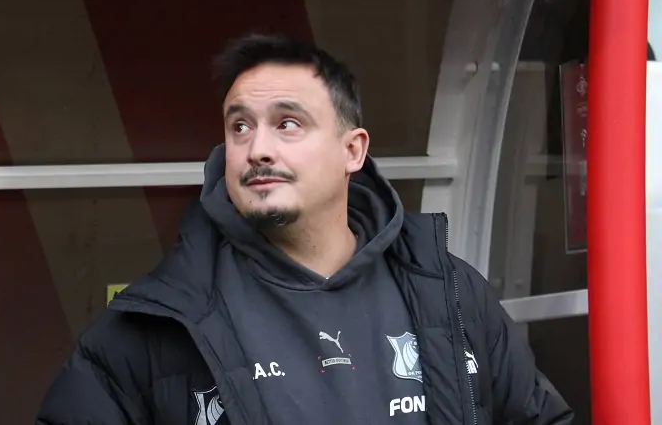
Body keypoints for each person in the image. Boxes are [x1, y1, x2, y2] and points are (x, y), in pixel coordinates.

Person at [36, 34, 573, 424]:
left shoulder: (451, 293)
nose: (257, 148)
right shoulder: (157, 323)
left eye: (287, 123)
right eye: (239, 126)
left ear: (352, 150)